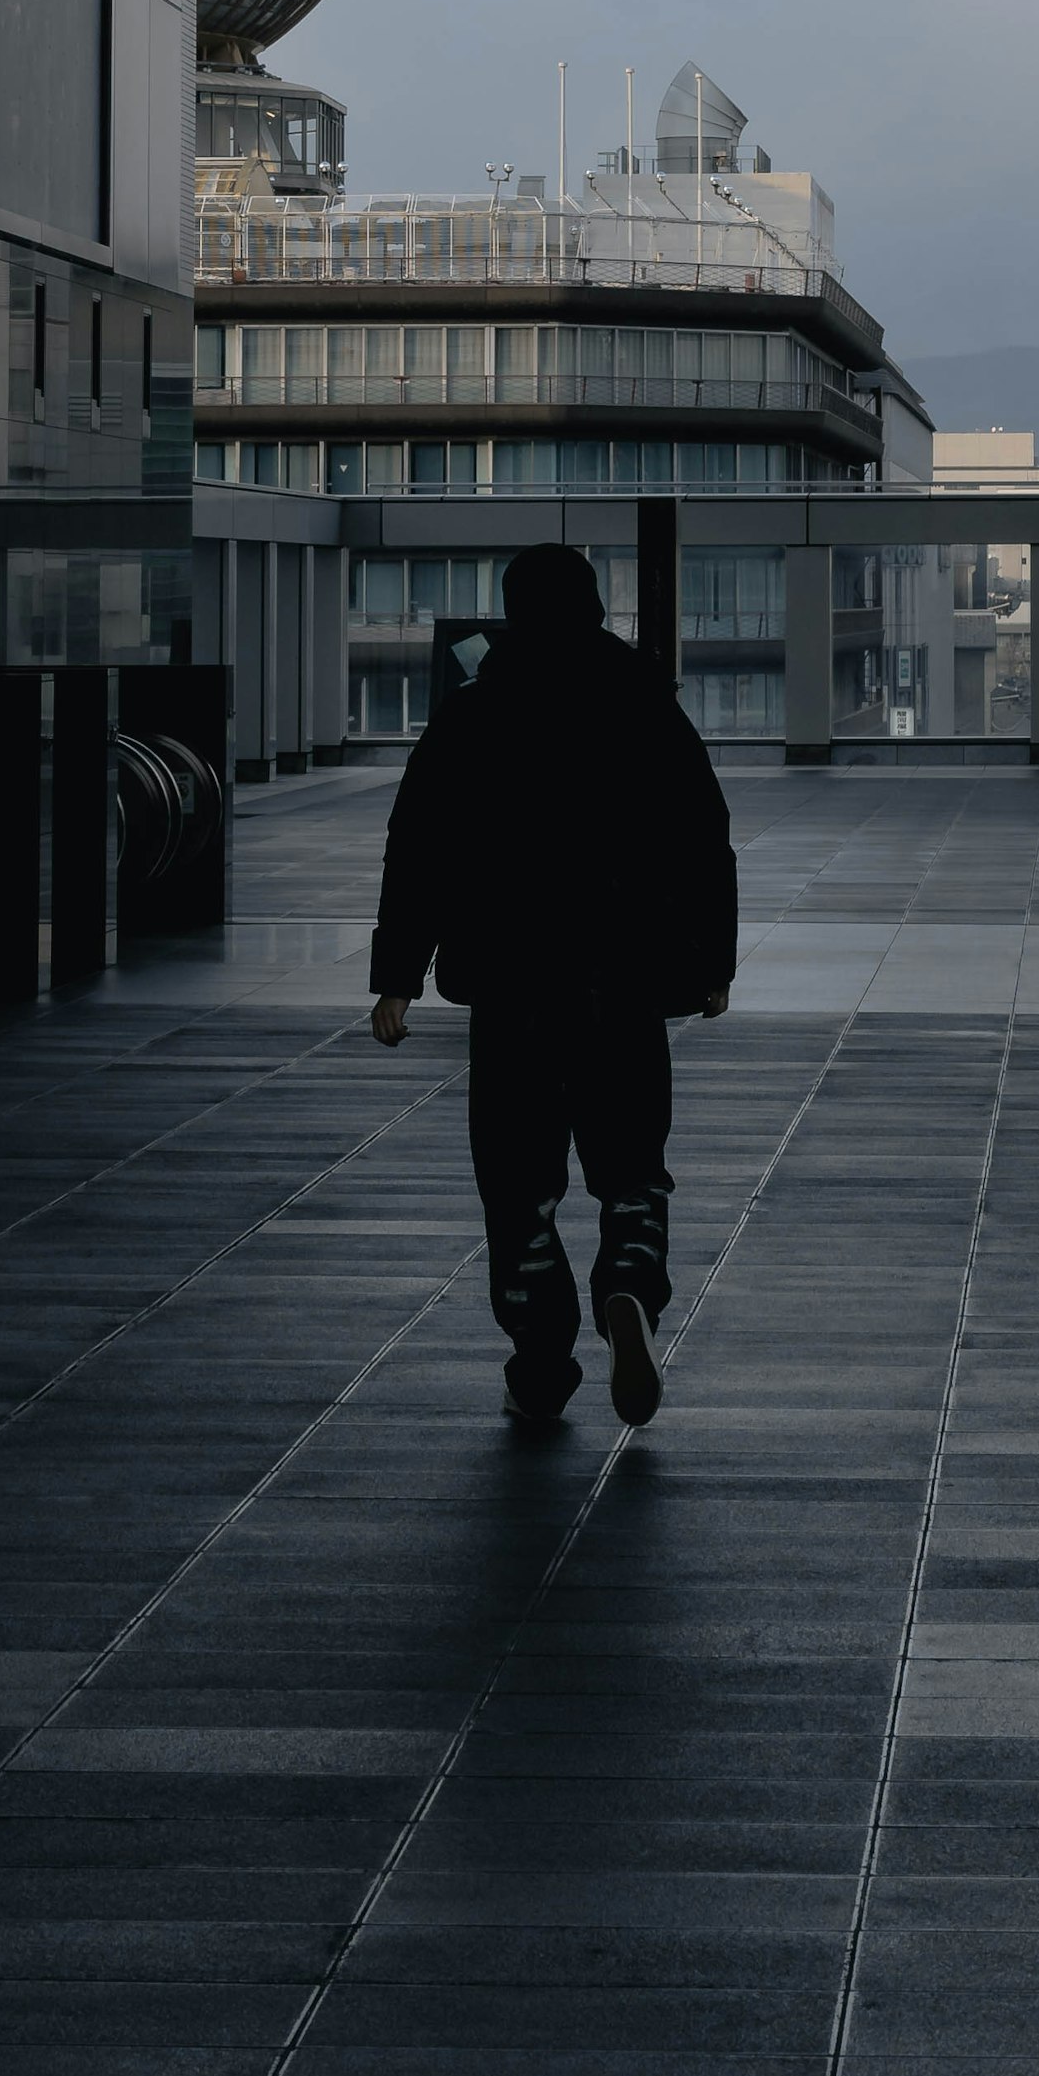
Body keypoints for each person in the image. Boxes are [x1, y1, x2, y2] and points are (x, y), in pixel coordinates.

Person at [367, 542, 738, 1428]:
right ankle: (629, 1290)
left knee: (517, 1175)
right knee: (632, 1164)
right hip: (625, 977)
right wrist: (711, 963)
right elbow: (703, 836)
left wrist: (397, 979)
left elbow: (418, 846)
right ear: (596, 607)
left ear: (513, 611)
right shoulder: (648, 707)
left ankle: (540, 1355)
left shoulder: (475, 712)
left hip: (511, 982)